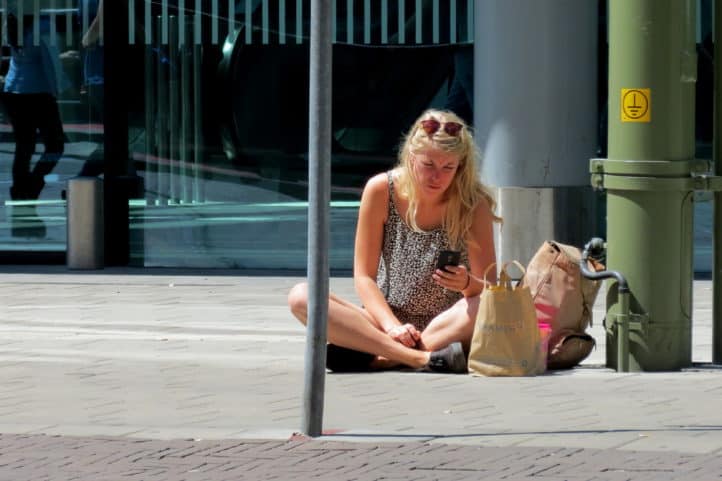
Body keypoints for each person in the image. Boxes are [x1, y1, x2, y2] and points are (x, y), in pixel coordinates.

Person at [288, 109, 500, 373]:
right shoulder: (382, 189)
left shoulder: (473, 204)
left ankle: (385, 356)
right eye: (428, 165)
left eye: (448, 167)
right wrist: (392, 327)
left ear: (461, 166)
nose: (437, 177)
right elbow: (364, 277)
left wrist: (467, 283)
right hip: (385, 320)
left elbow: (490, 289)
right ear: (411, 157)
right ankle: (421, 358)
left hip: (447, 324)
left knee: (489, 304)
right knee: (301, 296)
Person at [2, 2, 66, 236]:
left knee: (24, 146)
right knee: (55, 145)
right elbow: (50, 62)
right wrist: (60, 89)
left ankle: (20, 193)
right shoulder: (43, 27)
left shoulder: (11, 24)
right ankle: (32, 186)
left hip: (14, 90)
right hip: (39, 92)